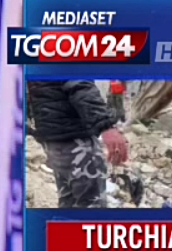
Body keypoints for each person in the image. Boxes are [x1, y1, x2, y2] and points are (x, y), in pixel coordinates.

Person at [26, 80, 130, 208]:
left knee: (69, 204)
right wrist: (106, 125)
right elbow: (80, 85)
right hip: (76, 141)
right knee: (92, 207)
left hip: (53, 141)